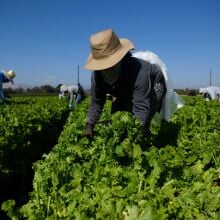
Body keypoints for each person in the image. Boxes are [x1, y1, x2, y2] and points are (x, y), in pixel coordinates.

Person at [83, 29, 168, 138]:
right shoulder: (97, 75)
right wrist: (89, 125)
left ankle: (146, 140)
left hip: (155, 83)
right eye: (102, 67)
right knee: (118, 116)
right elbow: (97, 102)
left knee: (142, 123)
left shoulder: (139, 71)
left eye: (109, 65)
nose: (106, 70)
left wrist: (134, 133)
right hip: (125, 84)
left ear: (120, 58)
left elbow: (141, 108)